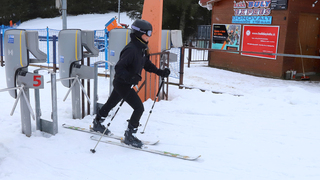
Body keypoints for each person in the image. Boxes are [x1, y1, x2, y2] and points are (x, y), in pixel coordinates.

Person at [92, 19, 170, 148]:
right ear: (139, 33)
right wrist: (129, 78)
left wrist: (160, 72)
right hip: (122, 83)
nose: (149, 36)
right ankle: (130, 136)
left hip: (124, 83)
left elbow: (146, 64)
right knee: (139, 108)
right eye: (148, 33)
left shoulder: (141, 48)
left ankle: (97, 122)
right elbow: (119, 68)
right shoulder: (131, 49)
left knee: (111, 103)